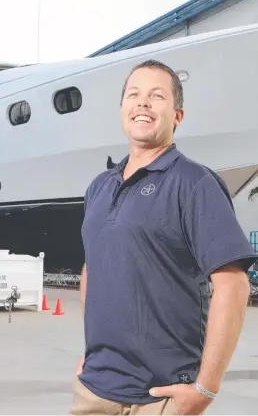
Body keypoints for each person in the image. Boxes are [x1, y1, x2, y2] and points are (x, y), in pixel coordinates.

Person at [71, 59, 257, 415]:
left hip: (161, 397)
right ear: (123, 108)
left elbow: (233, 285)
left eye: (157, 96)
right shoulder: (98, 188)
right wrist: (90, 351)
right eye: (134, 94)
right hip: (93, 390)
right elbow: (90, 269)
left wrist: (205, 388)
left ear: (177, 116)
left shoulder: (194, 183)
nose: (143, 103)